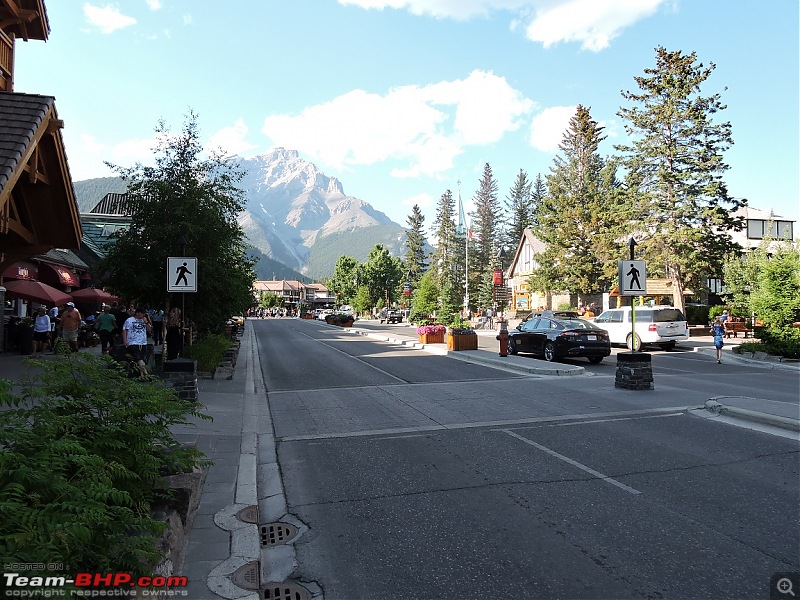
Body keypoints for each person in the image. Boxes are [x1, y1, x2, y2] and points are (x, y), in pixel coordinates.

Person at [123, 307, 152, 375]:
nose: (143, 315)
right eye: (142, 314)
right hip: (132, 342)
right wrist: (125, 341)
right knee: (138, 358)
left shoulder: (144, 321)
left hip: (143, 342)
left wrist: (147, 322)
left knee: (142, 359)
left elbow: (150, 330)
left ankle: (141, 375)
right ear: (137, 313)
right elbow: (124, 330)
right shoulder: (129, 320)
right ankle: (146, 373)